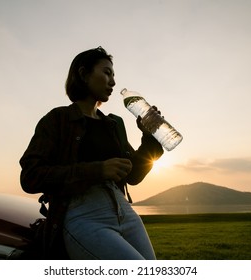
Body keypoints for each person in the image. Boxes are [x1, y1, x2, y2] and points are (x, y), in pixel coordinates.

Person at [20, 47, 164, 260]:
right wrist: (98, 170)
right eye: (106, 73)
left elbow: (133, 175)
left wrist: (150, 137)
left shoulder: (113, 124)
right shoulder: (57, 119)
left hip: (126, 212)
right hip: (84, 215)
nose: (113, 82)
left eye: (113, 75)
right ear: (83, 73)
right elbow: (31, 176)